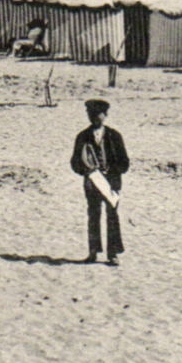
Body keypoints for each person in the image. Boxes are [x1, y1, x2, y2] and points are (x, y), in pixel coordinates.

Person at [71, 98, 128, 266]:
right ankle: (93, 251)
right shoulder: (82, 136)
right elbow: (74, 162)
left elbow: (124, 162)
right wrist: (86, 170)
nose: (94, 118)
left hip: (111, 182)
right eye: (91, 114)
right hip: (92, 182)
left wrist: (113, 172)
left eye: (98, 114)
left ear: (105, 115)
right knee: (93, 215)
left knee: (112, 216)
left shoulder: (114, 136)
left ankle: (113, 254)